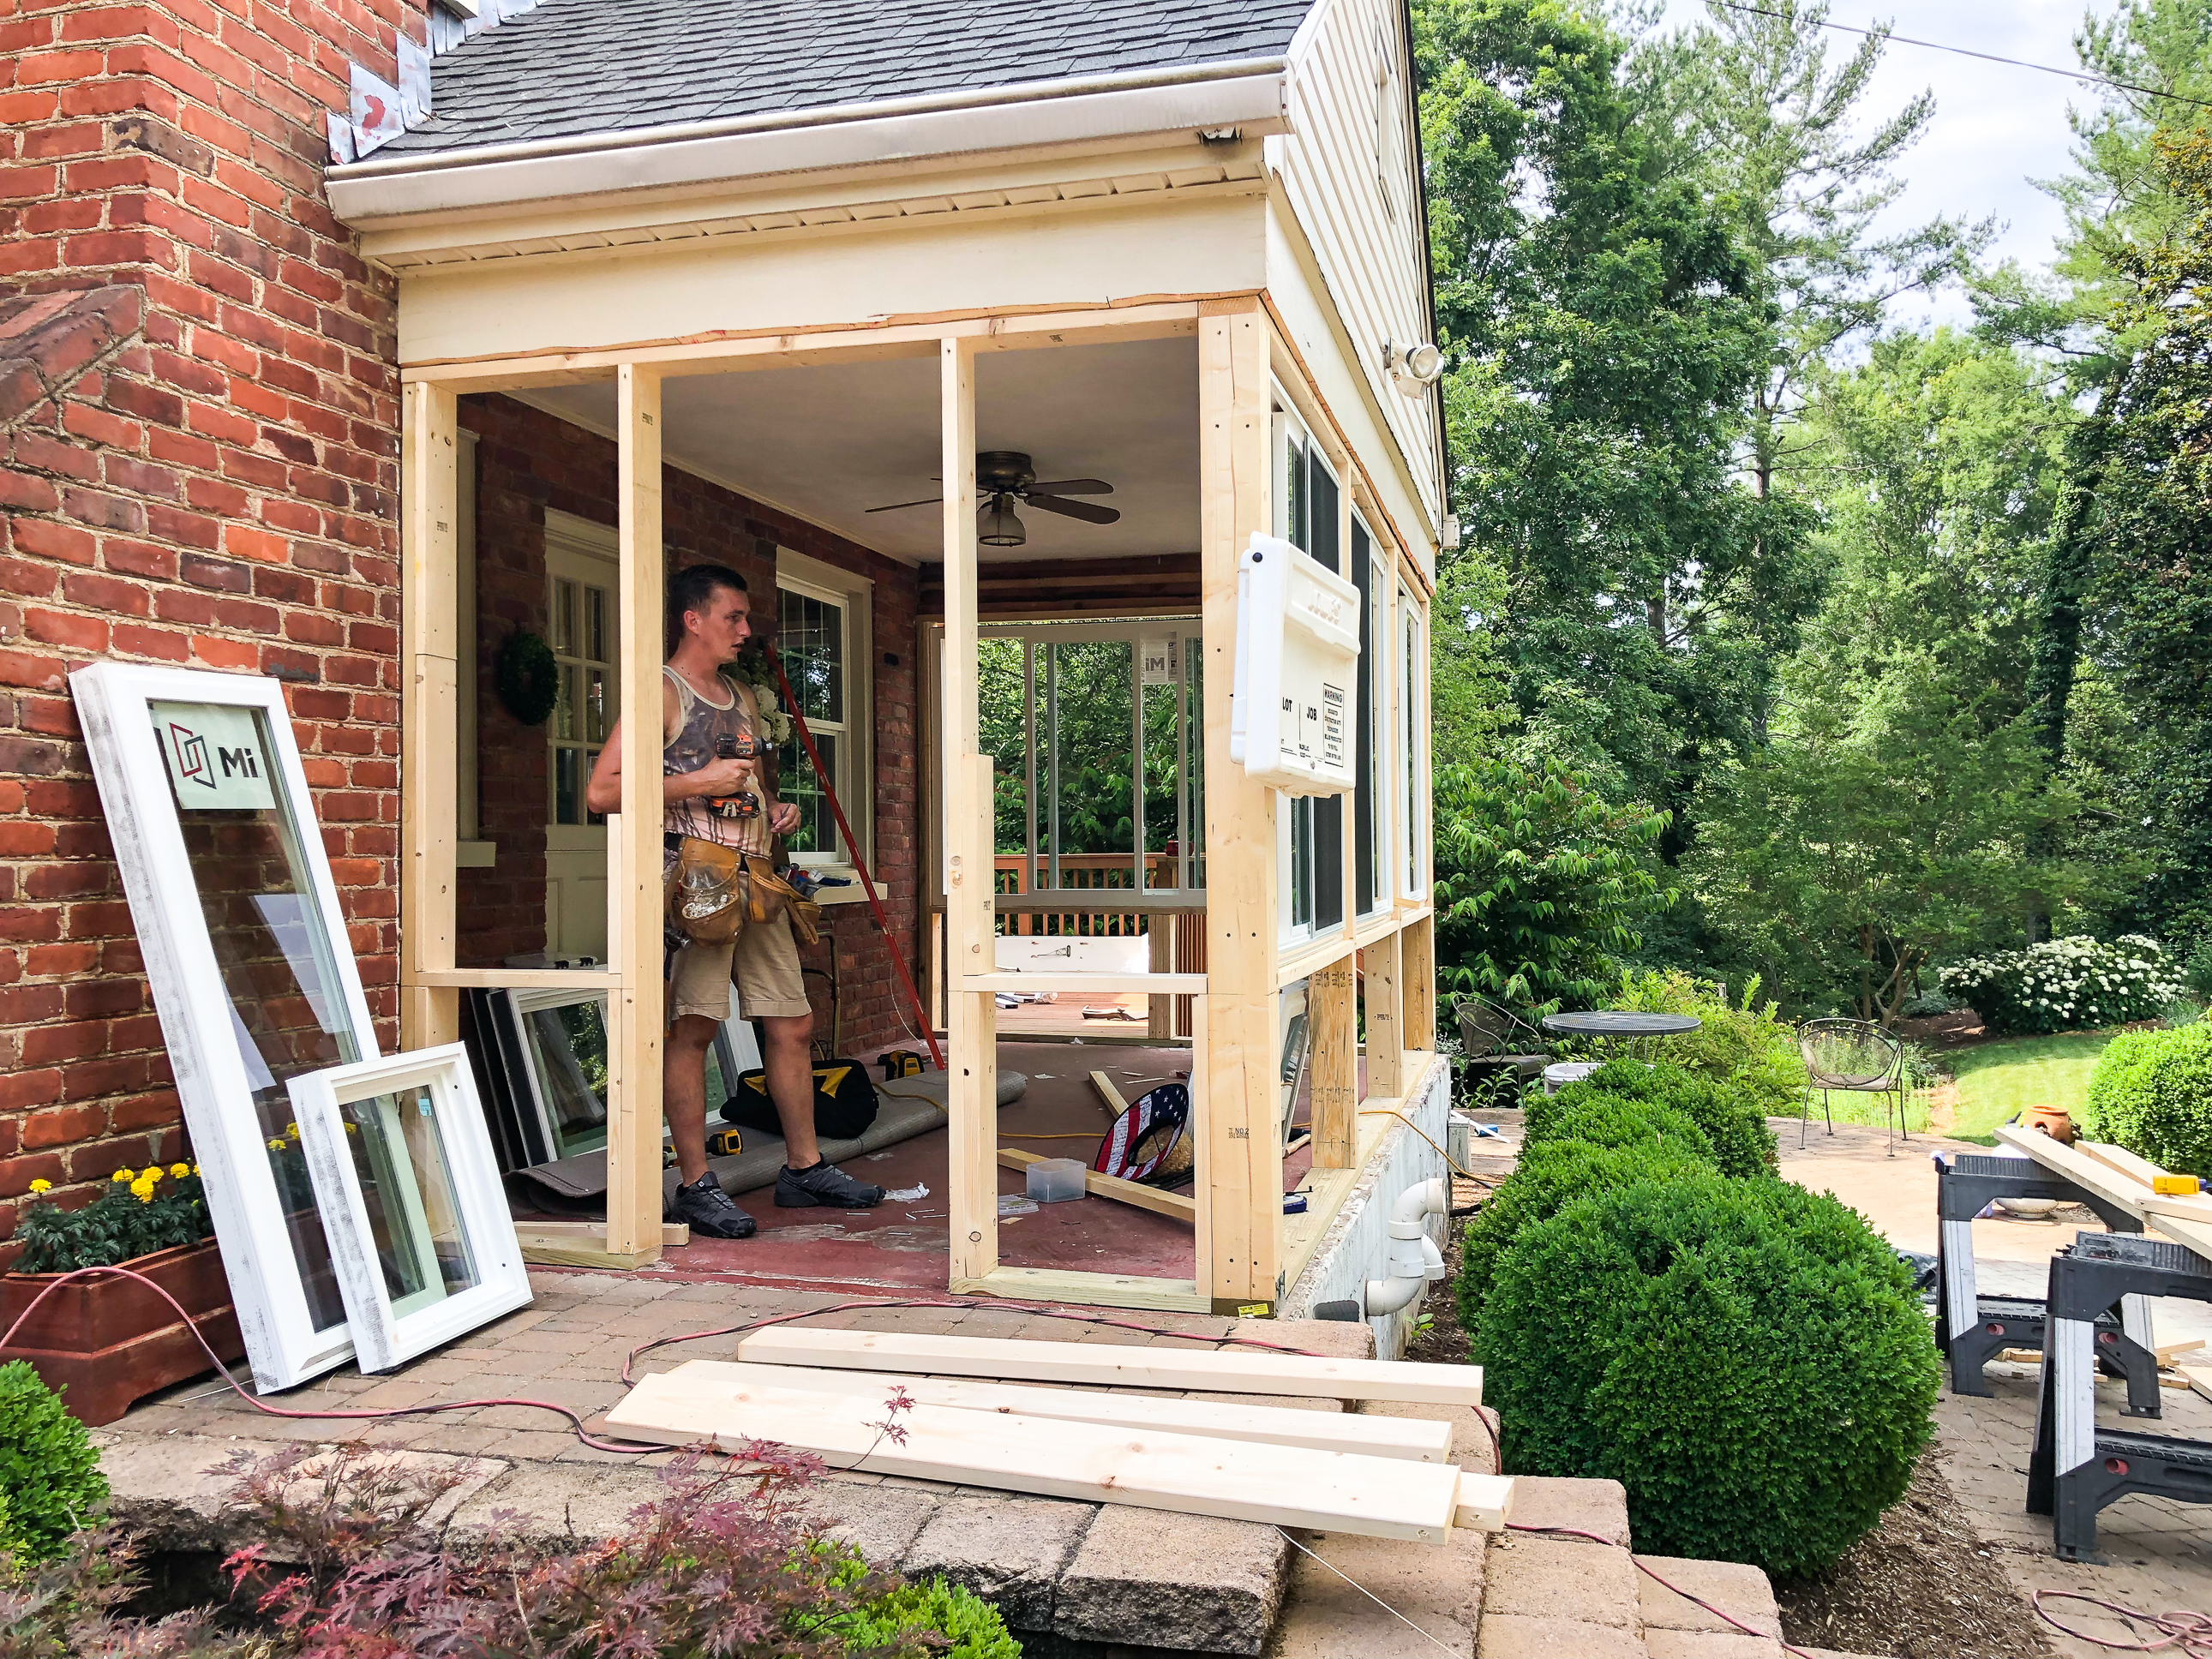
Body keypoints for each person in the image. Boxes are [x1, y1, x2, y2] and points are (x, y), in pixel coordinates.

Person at [584, 562, 884, 1237]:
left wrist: (775, 809)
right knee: (693, 1029)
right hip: (695, 885)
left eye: (745, 619)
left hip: (756, 878)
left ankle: (803, 1170)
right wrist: (697, 783)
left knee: (792, 1023)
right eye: (733, 618)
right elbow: (602, 794)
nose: (745, 630)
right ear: (693, 619)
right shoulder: (658, 693)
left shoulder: (740, 697)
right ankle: (696, 1184)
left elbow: (741, 781)